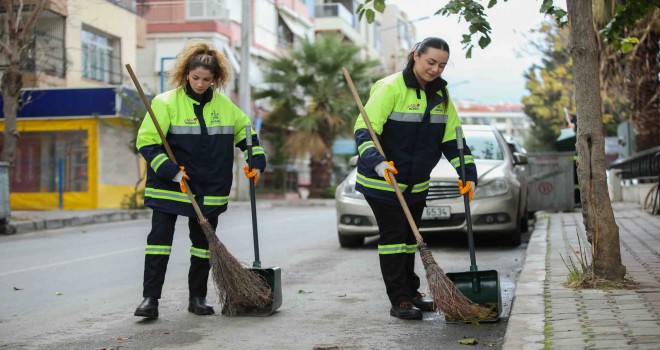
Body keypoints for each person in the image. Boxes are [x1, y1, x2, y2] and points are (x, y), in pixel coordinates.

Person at [133, 40, 266, 318]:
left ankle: (198, 298)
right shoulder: (165, 103)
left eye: (207, 79)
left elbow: (248, 135)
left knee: (204, 247)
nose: (201, 83)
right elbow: (147, 143)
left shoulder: (226, 107)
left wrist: (256, 161)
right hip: (170, 187)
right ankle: (150, 299)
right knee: (159, 241)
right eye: (195, 78)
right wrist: (171, 171)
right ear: (186, 75)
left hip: (210, 188)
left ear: (216, 79)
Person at [354, 37, 478, 320]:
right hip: (383, 181)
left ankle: (411, 292)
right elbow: (364, 130)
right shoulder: (390, 87)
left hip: (418, 183)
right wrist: (378, 163)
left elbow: (453, 141)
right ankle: (399, 299)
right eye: (431, 62)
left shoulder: (441, 97)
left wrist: (467, 175)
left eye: (442, 65)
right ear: (415, 56)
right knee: (394, 237)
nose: (435, 69)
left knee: (410, 239)